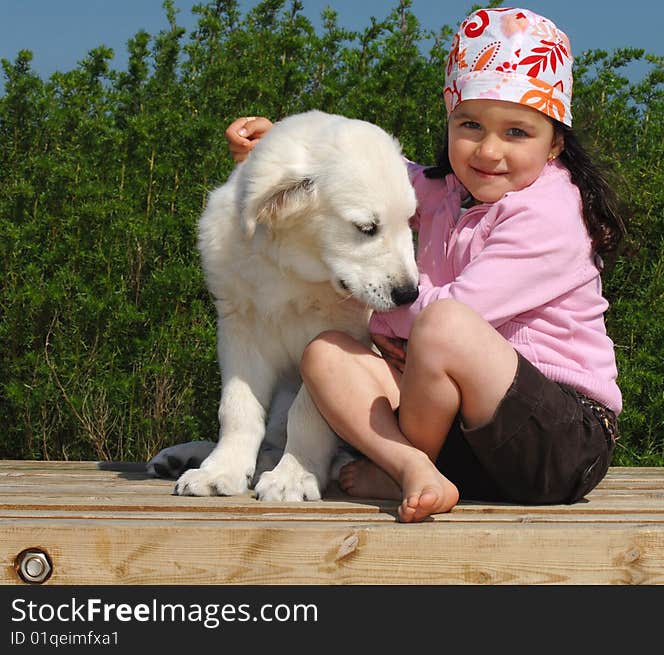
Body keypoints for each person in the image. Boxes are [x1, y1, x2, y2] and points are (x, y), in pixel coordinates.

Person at [225, 7, 626, 522]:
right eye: (471, 124)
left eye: (517, 133)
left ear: (556, 145)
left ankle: (408, 462)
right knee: (324, 352)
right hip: (463, 440)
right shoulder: (443, 190)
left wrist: (384, 319)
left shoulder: (551, 214)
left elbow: (458, 315)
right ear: (450, 119)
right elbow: (363, 178)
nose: (488, 149)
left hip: (559, 440)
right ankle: (411, 466)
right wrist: (280, 146)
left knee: (444, 322)